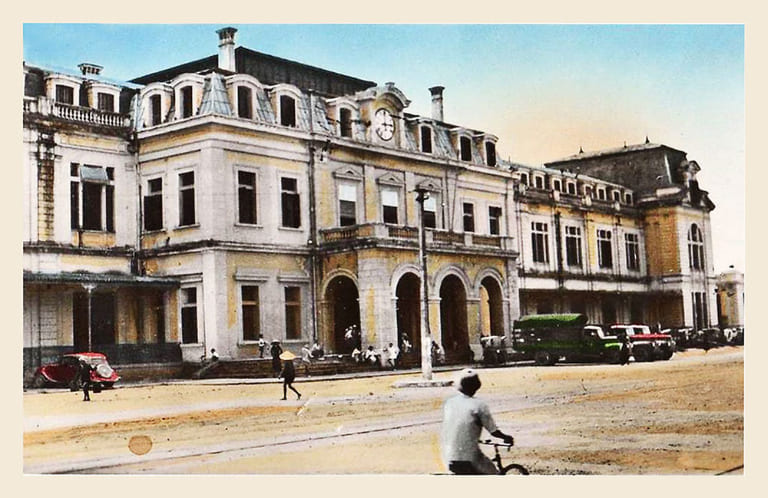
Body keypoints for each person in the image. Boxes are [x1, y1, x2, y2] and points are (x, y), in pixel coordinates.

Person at [441, 368, 515, 474]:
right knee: (494, 473)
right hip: (469, 457)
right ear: (477, 386)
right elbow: (493, 431)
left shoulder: (450, 403)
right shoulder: (479, 405)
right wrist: (506, 437)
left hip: (448, 455)